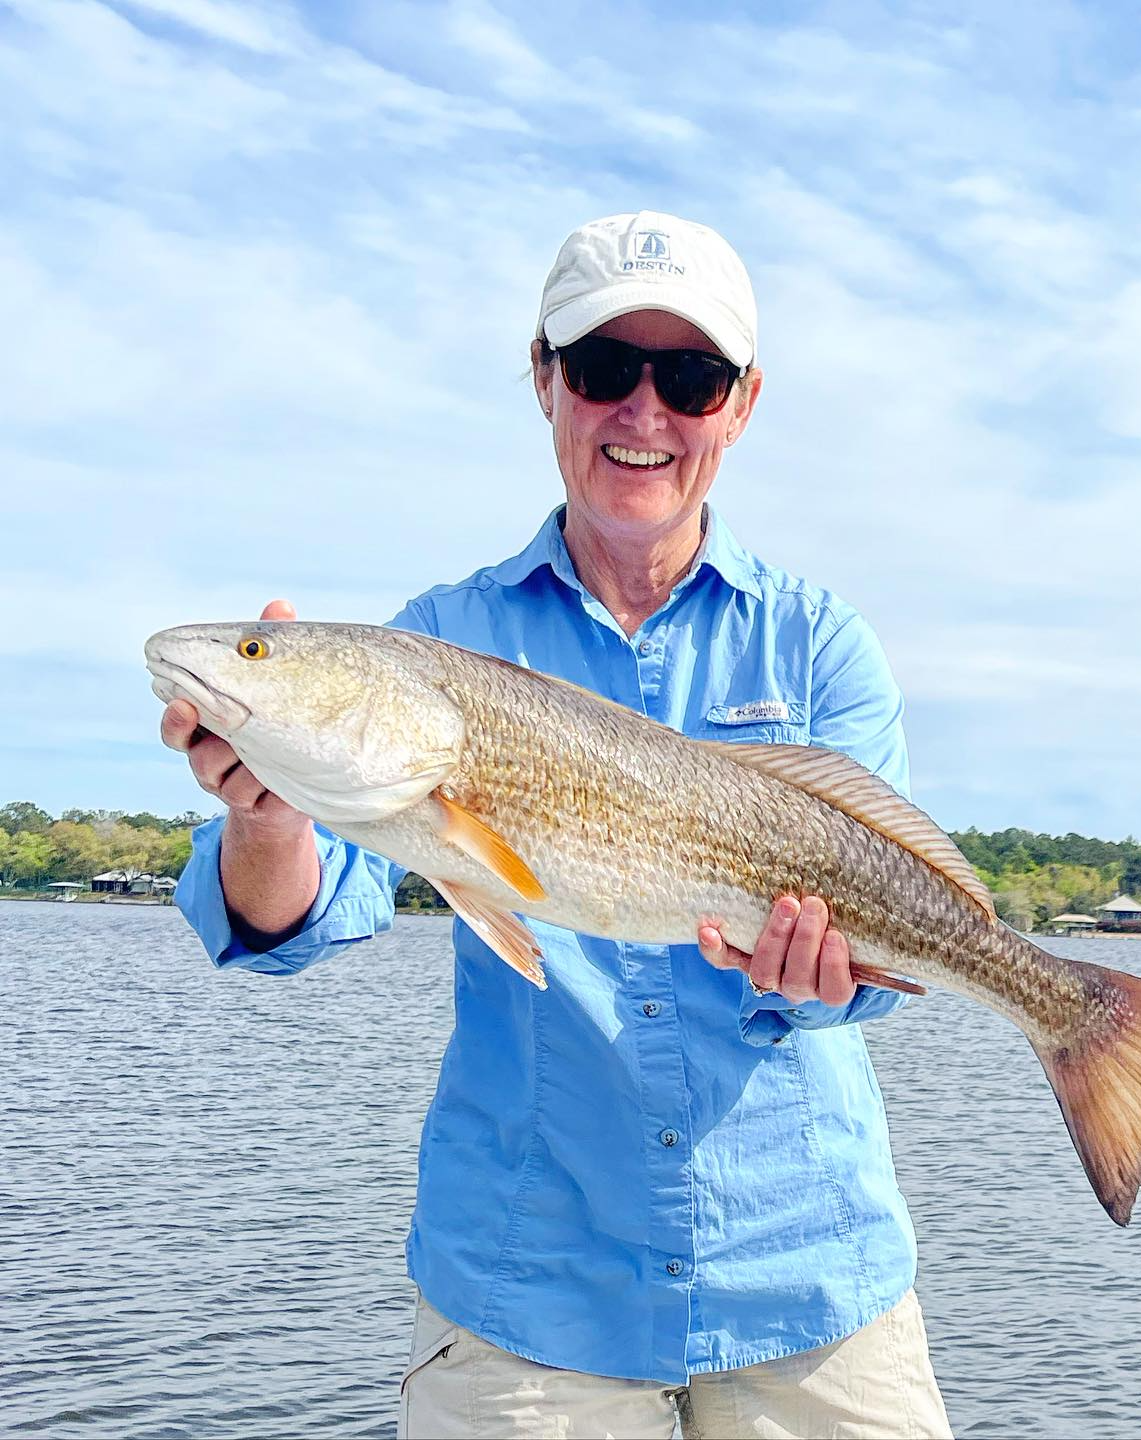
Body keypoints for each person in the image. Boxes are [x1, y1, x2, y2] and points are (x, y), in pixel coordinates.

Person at [163, 211, 952, 1440]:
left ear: (741, 406)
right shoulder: (437, 639)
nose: (644, 410)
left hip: (806, 1275)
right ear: (543, 379)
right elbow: (301, 920)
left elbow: (872, 984)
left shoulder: (819, 643)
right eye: (602, 366)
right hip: (526, 1297)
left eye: (689, 377)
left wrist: (826, 981)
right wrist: (266, 816)